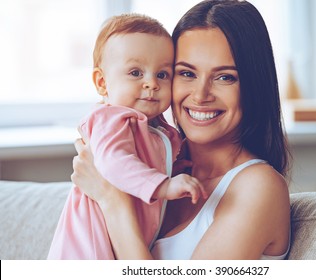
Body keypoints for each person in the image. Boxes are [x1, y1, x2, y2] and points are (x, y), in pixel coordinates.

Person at [71, 0, 291, 260]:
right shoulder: (152, 165)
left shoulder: (258, 188)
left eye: (225, 77)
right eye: (186, 73)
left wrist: (113, 202)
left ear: (254, 85)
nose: (200, 95)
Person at [48, 14, 206, 260]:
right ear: (102, 83)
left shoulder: (158, 128)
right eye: (135, 72)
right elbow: (113, 162)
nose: (151, 83)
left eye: (162, 74)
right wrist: (163, 185)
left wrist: (181, 168)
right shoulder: (109, 119)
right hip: (87, 246)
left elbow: (154, 162)